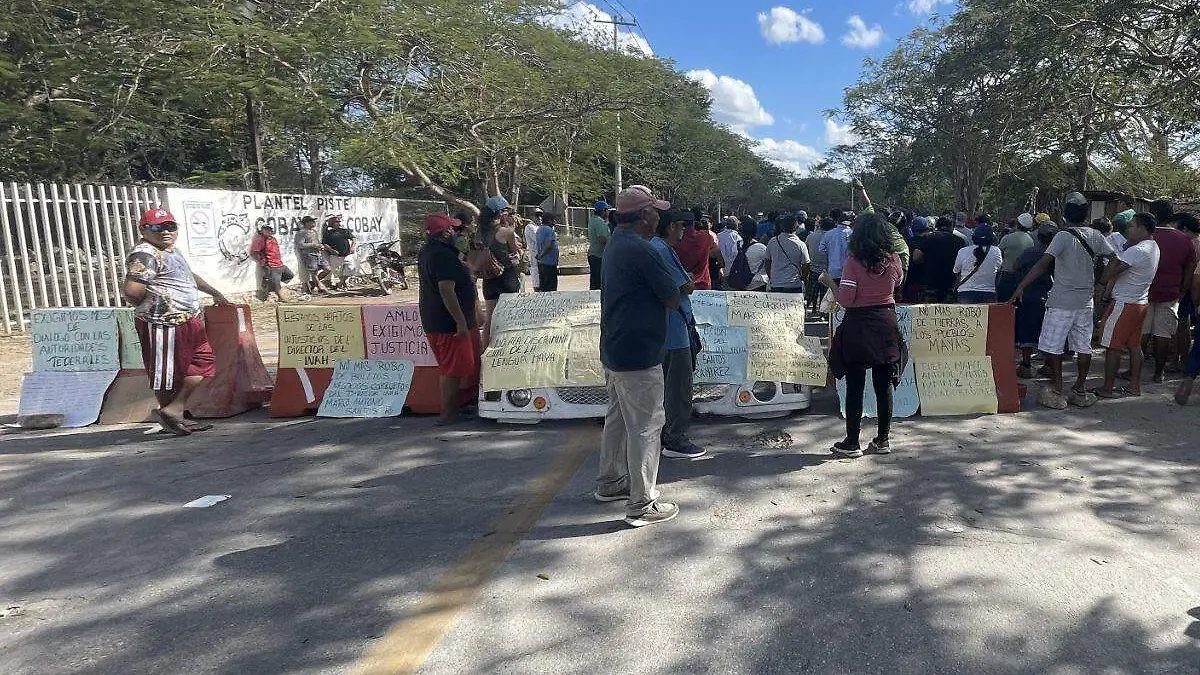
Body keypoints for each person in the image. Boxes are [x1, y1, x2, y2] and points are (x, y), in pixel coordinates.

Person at [595, 185, 682, 528]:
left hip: (615, 348)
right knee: (646, 427)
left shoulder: (616, 242)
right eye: (655, 211)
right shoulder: (643, 251)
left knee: (617, 419)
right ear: (644, 215)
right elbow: (672, 297)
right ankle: (642, 503)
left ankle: (611, 481)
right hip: (639, 352)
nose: (659, 216)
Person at [124, 208, 230, 436]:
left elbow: (188, 276)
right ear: (144, 229)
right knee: (166, 374)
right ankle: (172, 413)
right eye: (158, 227)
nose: (166, 232)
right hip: (165, 322)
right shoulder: (145, 254)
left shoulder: (170, 250)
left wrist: (214, 292)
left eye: (171, 227)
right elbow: (132, 291)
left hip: (186, 319)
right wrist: (157, 306)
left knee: (201, 362)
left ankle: (174, 411)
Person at [1011, 192, 1117, 409]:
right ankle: (1080, 388)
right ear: (1086, 214)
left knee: (1052, 345)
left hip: (1061, 300)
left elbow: (1042, 264)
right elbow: (1115, 259)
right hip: (1085, 301)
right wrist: (1102, 283)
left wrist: (1021, 286)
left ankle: (1057, 386)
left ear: (1065, 214)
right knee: (1083, 346)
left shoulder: (1062, 236)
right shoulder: (1096, 235)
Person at [828, 212, 905, 458]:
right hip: (886, 322)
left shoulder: (853, 262)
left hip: (858, 325)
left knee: (855, 385)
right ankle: (883, 439)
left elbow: (846, 299)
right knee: (884, 386)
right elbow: (897, 284)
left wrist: (833, 286)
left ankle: (852, 442)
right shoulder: (894, 260)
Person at [649, 212, 705, 460]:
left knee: (668, 386)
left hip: (666, 328)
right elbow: (686, 286)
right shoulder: (663, 250)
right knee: (679, 388)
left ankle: (666, 434)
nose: (684, 232)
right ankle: (676, 438)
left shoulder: (654, 248)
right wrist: (690, 279)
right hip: (674, 330)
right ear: (671, 227)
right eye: (682, 227)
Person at [418, 212, 483, 425]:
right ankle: (448, 414)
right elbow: (446, 289)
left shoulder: (432, 252)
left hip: (439, 319)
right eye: (452, 229)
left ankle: (461, 405)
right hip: (448, 323)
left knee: (462, 366)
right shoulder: (442, 256)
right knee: (452, 369)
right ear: (444, 232)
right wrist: (461, 321)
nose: (456, 232)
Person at [1095, 213, 1160, 398]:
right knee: (1134, 346)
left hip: (1125, 303)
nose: (1129, 229)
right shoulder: (1153, 247)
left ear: (1142, 228)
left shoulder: (1137, 250)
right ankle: (1134, 386)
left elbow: (1116, 268)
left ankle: (1107, 389)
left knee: (1112, 346)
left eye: (1132, 226)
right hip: (1140, 302)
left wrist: (1102, 283)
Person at [1138, 209, 1199, 382]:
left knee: (1142, 332)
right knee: (1163, 334)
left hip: (1146, 291)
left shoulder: (1147, 236)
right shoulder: (1184, 239)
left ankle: (1135, 372)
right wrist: (1183, 289)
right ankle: (1159, 373)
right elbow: (1191, 265)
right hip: (1171, 293)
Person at [1013, 224, 1057, 379]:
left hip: (1030, 295)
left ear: (1039, 237)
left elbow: (1016, 266)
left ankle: (1026, 365)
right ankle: (1049, 365)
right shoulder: (1058, 254)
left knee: (1027, 330)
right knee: (1051, 333)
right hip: (1052, 297)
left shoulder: (1030, 252)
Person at [478, 196, 522, 347]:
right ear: (500, 213)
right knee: (511, 319)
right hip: (507, 279)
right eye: (506, 211)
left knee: (489, 320)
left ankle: (485, 351)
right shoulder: (506, 233)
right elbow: (515, 256)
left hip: (489, 280)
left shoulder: (479, 233)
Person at [912, 216, 962, 302]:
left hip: (929, 284)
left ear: (937, 226)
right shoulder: (959, 241)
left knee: (927, 313)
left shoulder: (928, 238)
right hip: (950, 285)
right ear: (952, 227)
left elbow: (916, 257)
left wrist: (926, 262)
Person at [953, 223, 1003, 304]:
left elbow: (956, 271)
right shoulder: (996, 251)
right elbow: (999, 270)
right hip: (989, 293)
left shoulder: (963, 251)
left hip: (965, 293)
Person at [673, 211, 721, 290]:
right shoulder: (706, 236)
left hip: (682, 284)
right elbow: (717, 252)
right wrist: (720, 266)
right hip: (703, 284)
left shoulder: (675, 240)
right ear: (694, 222)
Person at [765, 214, 811, 293]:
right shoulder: (800, 244)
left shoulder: (772, 242)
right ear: (796, 227)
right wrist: (803, 279)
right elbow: (806, 265)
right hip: (794, 285)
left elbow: (767, 263)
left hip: (776, 284)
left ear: (781, 227)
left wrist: (772, 278)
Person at [997, 213, 1035, 301]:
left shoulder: (1007, 238)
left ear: (1017, 224)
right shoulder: (1031, 241)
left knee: (1003, 304)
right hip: (1023, 277)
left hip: (1007, 276)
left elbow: (999, 253)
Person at [249, 224, 287, 302]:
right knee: (276, 282)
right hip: (269, 264)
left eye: (269, 230)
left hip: (278, 263)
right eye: (266, 229)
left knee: (289, 275)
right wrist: (262, 262)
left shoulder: (273, 239)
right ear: (262, 230)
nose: (268, 231)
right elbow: (254, 252)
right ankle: (279, 297)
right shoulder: (260, 239)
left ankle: (268, 289)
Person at [294, 216, 329, 296]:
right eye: (311, 221)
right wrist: (313, 245)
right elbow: (300, 245)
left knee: (327, 269)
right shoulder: (301, 233)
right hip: (309, 255)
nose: (314, 223)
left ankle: (313, 283)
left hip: (318, 254)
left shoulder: (314, 231)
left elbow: (316, 242)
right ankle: (321, 288)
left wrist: (320, 246)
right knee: (314, 273)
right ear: (306, 223)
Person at [807, 217, 834, 312]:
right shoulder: (832, 237)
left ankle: (812, 308)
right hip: (827, 270)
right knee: (824, 293)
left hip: (813, 268)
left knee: (812, 291)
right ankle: (822, 312)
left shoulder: (811, 236)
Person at [321, 215, 355, 289]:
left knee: (351, 268)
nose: (338, 223)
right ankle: (342, 284)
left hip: (347, 254)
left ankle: (340, 283)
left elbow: (353, 239)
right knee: (338, 273)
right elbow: (324, 244)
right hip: (335, 256)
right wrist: (332, 250)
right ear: (332, 223)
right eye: (336, 222)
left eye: (339, 222)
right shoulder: (328, 233)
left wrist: (352, 247)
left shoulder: (344, 231)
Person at [820, 211, 853, 282]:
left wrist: (831, 252)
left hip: (833, 270)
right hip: (848, 271)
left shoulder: (829, 233)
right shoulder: (852, 233)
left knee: (833, 292)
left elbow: (821, 250)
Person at [586, 201, 611, 290]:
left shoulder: (592, 220)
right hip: (598, 256)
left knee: (594, 280)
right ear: (603, 210)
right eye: (607, 210)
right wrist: (612, 244)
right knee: (598, 281)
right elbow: (601, 238)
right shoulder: (599, 222)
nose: (608, 212)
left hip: (593, 253)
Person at [535, 210, 560, 292]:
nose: (555, 222)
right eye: (554, 220)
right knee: (551, 288)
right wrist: (541, 254)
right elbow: (548, 245)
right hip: (549, 264)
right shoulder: (549, 230)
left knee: (543, 287)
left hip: (541, 263)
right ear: (549, 220)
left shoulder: (539, 229)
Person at [716, 216, 743, 282]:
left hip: (719, 269)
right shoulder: (737, 237)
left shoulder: (718, 235)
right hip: (732, 270)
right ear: (736, 225)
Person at [523, 209, 541, 291]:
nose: (539, 218)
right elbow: (539, 238)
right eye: (537, 215)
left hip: (542, 258)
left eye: (541, 215)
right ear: (532, 217)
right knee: (537, 282)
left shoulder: (540, 227)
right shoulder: (530, 227)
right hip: (535, 258)